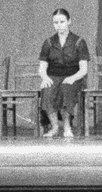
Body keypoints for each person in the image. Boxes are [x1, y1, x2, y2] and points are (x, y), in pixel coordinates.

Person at [38, 8, 91, 140]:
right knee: (47, 89)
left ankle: (67, 126)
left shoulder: (79, 42)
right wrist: (44, 77)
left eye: (62, 22)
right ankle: (55, 127)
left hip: (73, 76)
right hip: (54, 75)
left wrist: (72, 78)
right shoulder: (49, 42)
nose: (59, 25)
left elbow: (84, 69)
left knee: (66, 88)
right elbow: (42, 67)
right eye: (56, 22)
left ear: (69, 22)